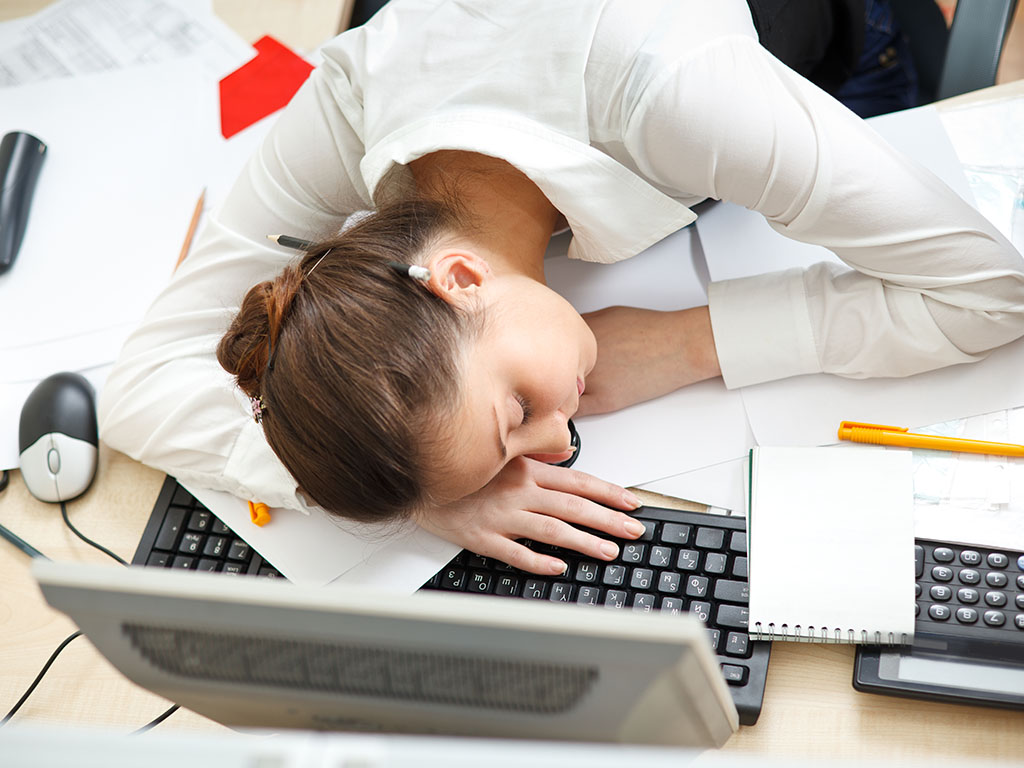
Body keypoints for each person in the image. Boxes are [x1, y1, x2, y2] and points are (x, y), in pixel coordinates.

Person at [99, 0, 1024, 577]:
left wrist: (694, 342)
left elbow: (995, 292)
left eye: (517, 417)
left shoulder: (675, 93)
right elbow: (139, 384)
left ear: (460, 279)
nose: (560, 445)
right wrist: (427, 487)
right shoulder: (348, 102)